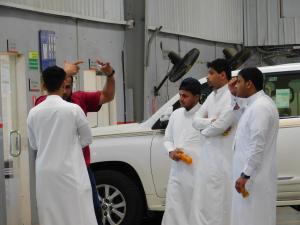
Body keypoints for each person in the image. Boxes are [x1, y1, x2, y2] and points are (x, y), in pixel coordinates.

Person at [35, 59, 115, 225]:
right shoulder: (41, 104)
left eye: (69, 86)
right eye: (63, 85)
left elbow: (107, 95)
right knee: (64, 213)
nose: (66, 90)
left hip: (78, 168)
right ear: (61, 82)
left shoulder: (79, 100)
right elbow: (86, 138)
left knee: (89, 210)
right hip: (57, 172)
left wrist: (110, 75)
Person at [27, 66, 97, 225]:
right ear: (63, 85)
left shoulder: (34, 112)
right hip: (70, 171)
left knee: (51, 214)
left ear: (43, 85)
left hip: (46, 174)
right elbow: (87, 138)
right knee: (77, 213)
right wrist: (69, 145)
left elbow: (33, 143)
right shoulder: (73, 110)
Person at [228, 67, 279, 225]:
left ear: (249, 84)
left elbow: (257, 145)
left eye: (240, 82)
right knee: (246, 217)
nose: (236, 85)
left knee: (255, 218)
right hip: (250, 175)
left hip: (254, 177)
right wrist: (233, 94)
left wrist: (245, 175)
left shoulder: (260, 108)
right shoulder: (253, 105)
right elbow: (238, 116)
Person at [190, 58, 236, 225]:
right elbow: (195, 120)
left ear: (222, 75)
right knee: (208, 202)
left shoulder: (230, 96)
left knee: (221, 203)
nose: (207, 77)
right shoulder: (212, 96)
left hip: (224, 159)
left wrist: (206, 129)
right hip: (209, 157)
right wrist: (210, 123)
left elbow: (222, 125)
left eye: (211, 73)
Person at [162, 77, 202, 225]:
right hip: (177, 173)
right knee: (174, 209)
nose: (181, 99)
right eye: (180, 95)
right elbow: (167, 139)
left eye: (185, 96)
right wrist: (171, 151)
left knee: (196, 210)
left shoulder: (204, 115)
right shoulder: (176, 114)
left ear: (197, 97)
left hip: (198, 174)